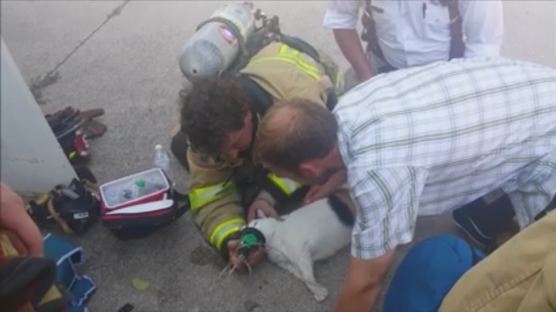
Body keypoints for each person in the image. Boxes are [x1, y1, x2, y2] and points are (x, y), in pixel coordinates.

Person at [254, 58, 556, 311]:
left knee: (533, 264)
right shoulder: (352, 104)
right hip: (527, 92)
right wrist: (338, 177)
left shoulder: (378, 175)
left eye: (292, 176)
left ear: (309, 167)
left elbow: (366, 283)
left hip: (547, 135)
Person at [172, 41, 351, 268]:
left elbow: (312, 164)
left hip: (306, 68)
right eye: (221, 152)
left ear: (247, 116)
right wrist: (231, 238)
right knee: (178, 147)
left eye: (235, 144)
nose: (230, 157)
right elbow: (210, 196)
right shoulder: (204, 140)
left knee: (318, 171)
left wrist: (268, 195)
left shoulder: (299, 112)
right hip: (265, 68)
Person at [323, 0, 503, 82]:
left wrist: (462, 91)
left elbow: (483, 46)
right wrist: (366, 75)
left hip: (446, 76)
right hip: (382, 69)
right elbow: (341, 18)